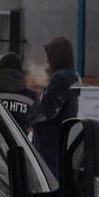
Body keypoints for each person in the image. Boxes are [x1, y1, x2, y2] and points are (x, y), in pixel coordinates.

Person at [26, 36, 80, 174]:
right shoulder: (73, 75)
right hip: (62, 140)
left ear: (57, 56)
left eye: (49, 56)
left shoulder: (60, 78)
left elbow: (47, 110)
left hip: (50, 143)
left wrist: (29, 118)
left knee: (48, 180)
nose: (46, 60)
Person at [0, 52, 38, 131]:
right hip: (17, 139)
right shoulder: (31, 96)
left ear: (0, 68)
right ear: (20, 70)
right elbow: (37, 120)